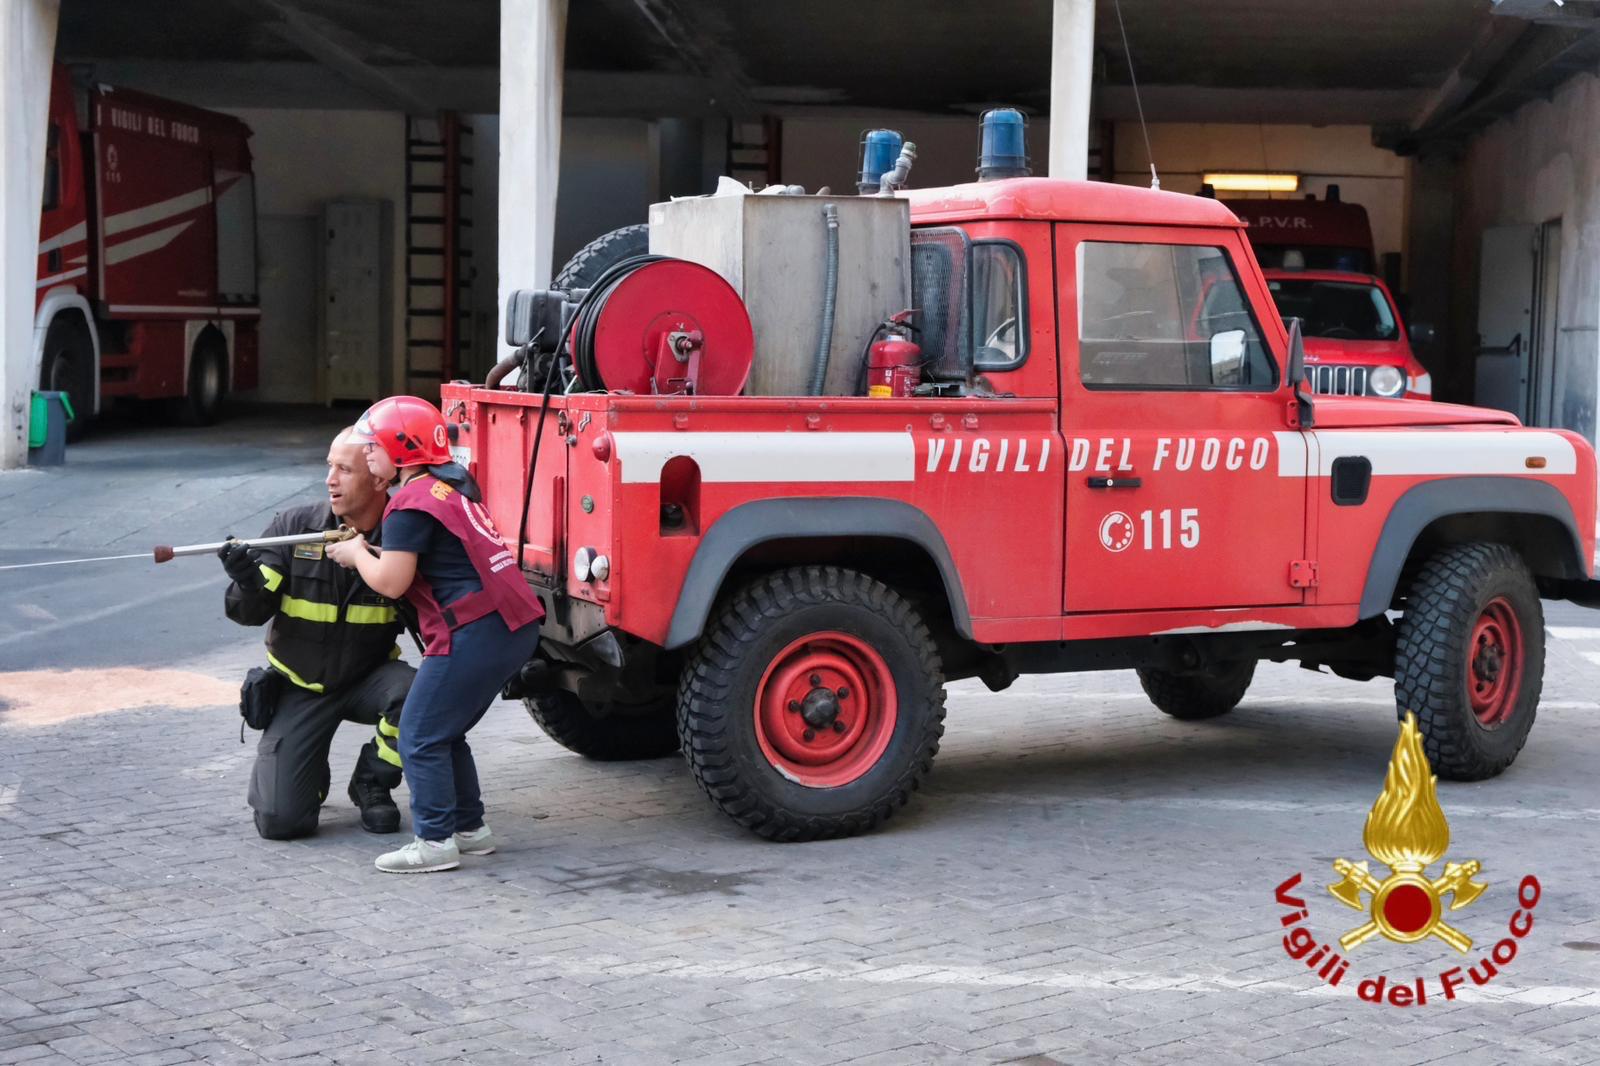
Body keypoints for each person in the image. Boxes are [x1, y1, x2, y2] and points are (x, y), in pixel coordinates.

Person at [326, 396, 543, 873]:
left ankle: (434, 841)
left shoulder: (408, 504)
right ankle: (469, 829)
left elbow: (391, 582)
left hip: (476, 631)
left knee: (418, 734)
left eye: (373, 446)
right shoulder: (446, 486)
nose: (367, 454)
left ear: (402, 449)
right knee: (445, 729)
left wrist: (357, 555)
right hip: (510, 626)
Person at [220, 428, 416, 839]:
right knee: (281, 822)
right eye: (330, 466)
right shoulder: (296, 527)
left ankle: (372, 781)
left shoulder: (405, 536)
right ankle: (309, 770)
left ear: (379, 479)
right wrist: (247, 580)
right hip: (300, 684)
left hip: (369, 677)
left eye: (345, 469)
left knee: (423, 696)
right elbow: (252, 610)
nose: (330, 480)